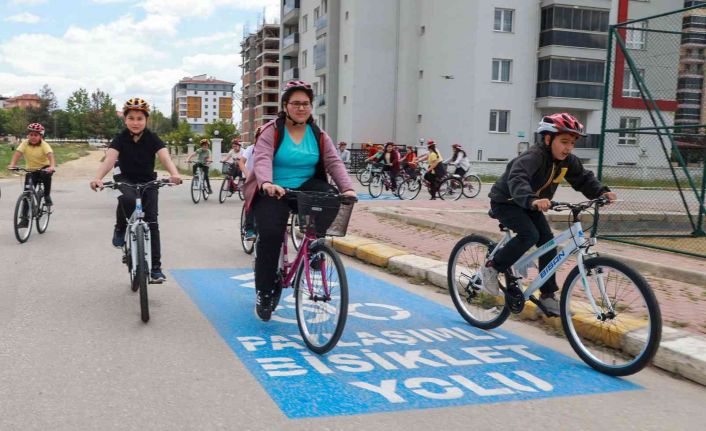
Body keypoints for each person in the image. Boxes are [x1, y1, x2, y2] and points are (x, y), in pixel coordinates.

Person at [242, 80, 356, 321]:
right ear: (285, 105)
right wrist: (267, 183)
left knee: (331, 197)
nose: (301, 108)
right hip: (273, 189)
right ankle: (264, 291)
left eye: (305, 103)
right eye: (295, 103)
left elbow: (333, 162)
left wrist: (347, 188)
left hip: (305, 186)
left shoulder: (318, 134)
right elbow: (262, 158)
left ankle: (313, 244)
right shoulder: (272, 130)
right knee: (271, 236)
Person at [485, 113, 617, 315]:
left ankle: (547, 295)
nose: (568, 147)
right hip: (507, 202)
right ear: (548, 139)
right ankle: (492, 267)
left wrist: (601, 192)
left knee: (548, 242)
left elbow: (583, 178)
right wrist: (531, 199)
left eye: (572, 143)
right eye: (564, 142)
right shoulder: (534, 156)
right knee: (530, 235)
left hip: (531, 205)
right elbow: (518, 177)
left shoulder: (567, 161)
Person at [89, 98, 182, 283]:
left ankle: (156, 269)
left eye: (140, 118)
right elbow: (109, 160)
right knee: (127, 198)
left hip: (148, 180)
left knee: (152, 222)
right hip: (125, 178)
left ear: (146, 120)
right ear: (125, 120)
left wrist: (174, 174)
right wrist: (97, 178)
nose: (135, 122)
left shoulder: (152, 138)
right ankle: (120, 228)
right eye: (131, 118)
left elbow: (164, 158)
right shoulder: (120, 138)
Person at [8, 123, 56, 215]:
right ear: (28, 135)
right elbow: (18, 153)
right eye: (31, 135)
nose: (33, 137)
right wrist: (12, 164)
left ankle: (47, 195)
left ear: (41, 136)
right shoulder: (25, 143)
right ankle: (24, 218)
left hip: (44, 168)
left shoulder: (44, 145)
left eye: (36, 135)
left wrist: (52, 166)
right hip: (31, 170)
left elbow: (50, 155)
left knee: (46, 175)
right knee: (27, 193)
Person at [239, 127, 263, 240]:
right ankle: (249, 229)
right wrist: (248, 174)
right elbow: (241, 162)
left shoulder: (270, 149)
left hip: (263, 180)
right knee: (251, 202)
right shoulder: (251, 148)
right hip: (250, 179)